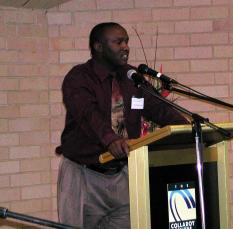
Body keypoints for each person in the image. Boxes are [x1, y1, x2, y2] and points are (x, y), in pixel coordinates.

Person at [55, 22, 189, 229]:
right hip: (84, 174)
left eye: (126, 41)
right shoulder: (79, 77)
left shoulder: (132, 78)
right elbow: (88, 116)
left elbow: (158, 109)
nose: (125, 46)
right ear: (98, 46)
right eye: (118, 42)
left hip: (122, 174)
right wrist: (112, 140)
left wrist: (187, 128)